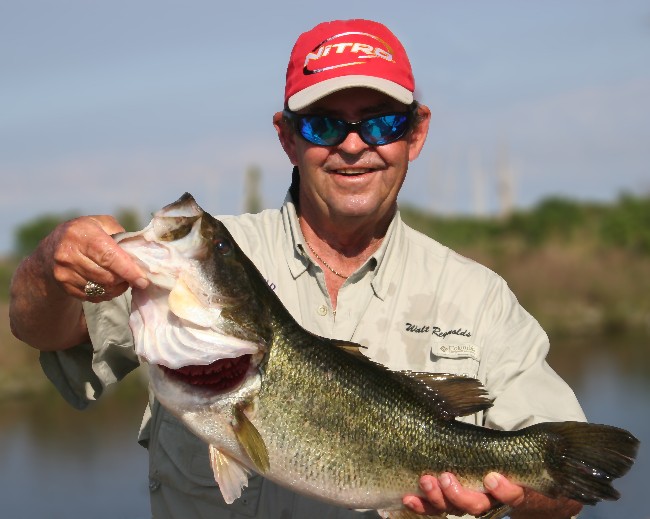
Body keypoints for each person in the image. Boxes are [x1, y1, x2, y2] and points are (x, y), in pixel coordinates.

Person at [9, 18, 585, 519]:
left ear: (416, 134)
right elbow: (44, 330)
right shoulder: (209, 262)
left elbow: (569, 487)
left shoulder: (478, 297)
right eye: (324, 124)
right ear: (287, 139)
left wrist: (511, 494)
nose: (355, 145)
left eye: (382, 122)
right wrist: (46, 267)